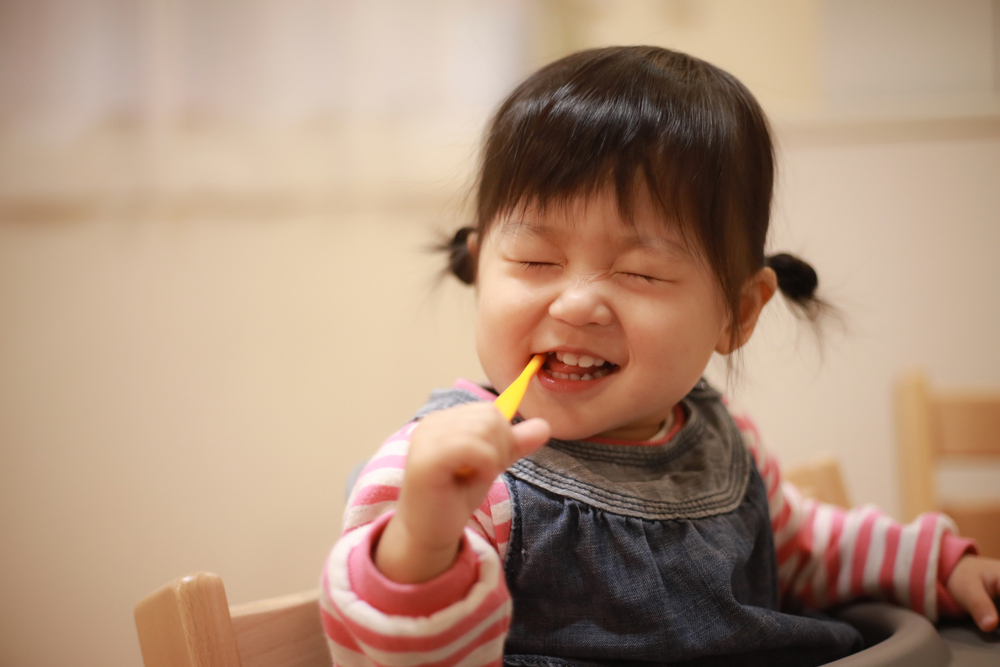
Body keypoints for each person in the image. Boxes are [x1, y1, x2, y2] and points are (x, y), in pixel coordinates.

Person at [319, 46, 999, 667]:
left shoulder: (720, 444)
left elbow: (804, 548)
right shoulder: (444, 472)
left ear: (738, 312)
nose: (578, 303)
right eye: (534, 259)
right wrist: (424, 537)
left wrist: (935, 565)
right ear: (480, 265)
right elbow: (388, 653)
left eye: (640, 272)